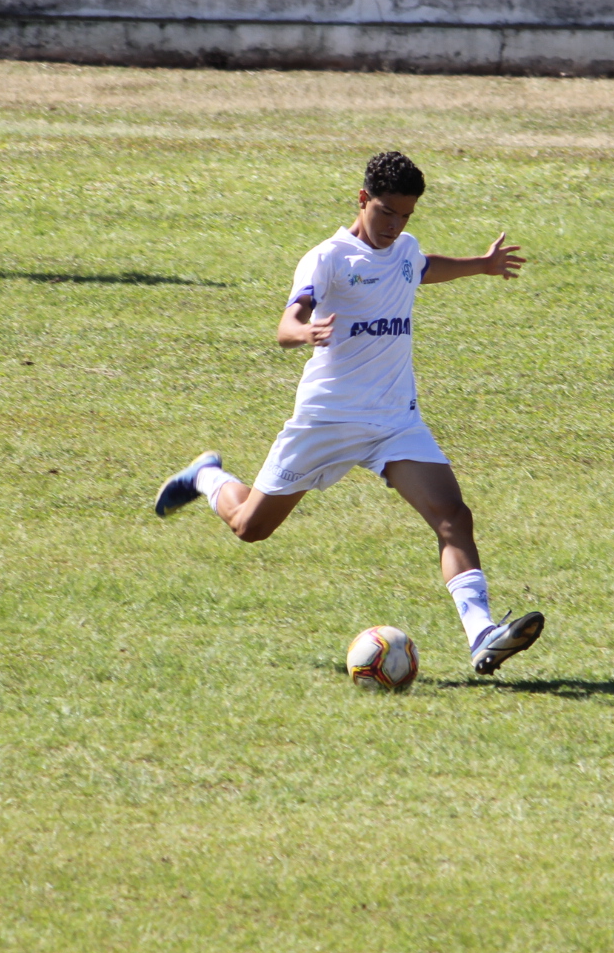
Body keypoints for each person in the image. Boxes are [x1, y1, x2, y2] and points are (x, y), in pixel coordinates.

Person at [154, 151, 546, 677]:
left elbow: (422, 268)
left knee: (454, 517)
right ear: (362, 200)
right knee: (250, 527)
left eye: (406, 215)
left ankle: (482, 635)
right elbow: (286, 323)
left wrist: (481, 264)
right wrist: (305, 332)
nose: (395, 225)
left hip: (394, 422)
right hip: (326, 422)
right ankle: (206, 475)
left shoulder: (404, 249)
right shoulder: (328, 258)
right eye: (386, 212)